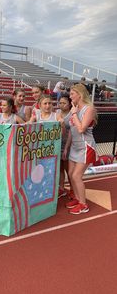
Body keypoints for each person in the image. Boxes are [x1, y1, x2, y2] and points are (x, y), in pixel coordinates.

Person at [64, 84, 98, 215]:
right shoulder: (75, 108)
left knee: (76, 176)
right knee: (71, 175)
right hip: (74, 147)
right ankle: (78, 199)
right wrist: (66, 147)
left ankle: (84, 205)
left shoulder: (89, 109)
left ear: (80, 94)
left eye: (72, 94)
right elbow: (71, 130)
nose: (70, 96)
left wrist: (74, 114)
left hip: (85, 146)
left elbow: (81, 129)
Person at [56, 95, 74, 199]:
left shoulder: (72, 115)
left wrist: (66, 148)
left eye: (64, 103)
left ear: (69, 104)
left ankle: (72, 189)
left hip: (68, 144)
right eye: (60, 103)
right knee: (60, 169)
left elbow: (71, 133)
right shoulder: (57, 113)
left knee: (69, 170)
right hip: (58, 144)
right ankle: (61, 189)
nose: (61, 105)